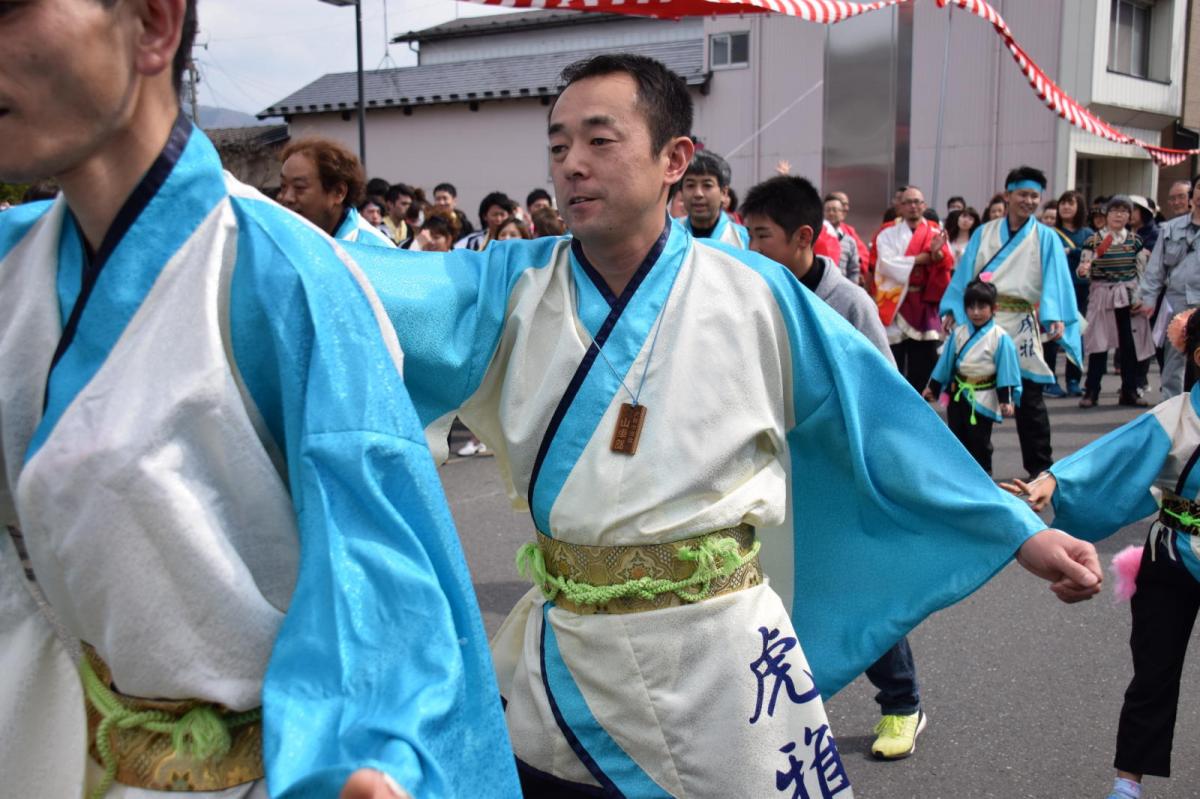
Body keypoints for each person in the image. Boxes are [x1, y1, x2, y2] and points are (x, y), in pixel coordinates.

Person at [354, 53, 1102, 798]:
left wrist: (1016, 527)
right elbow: (352, 291)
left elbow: (881, 419)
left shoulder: (757, 294)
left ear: (675, 158)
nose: (571, 165)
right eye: (556, 146)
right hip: (570, 658)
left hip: (721, 654)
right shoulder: (505, 285)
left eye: (598, 140)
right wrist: (238, 221)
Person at [0, 2, 519, 797]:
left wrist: (372, 752)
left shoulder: (283, 278)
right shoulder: (13, 267)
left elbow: (378, 592)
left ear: (151, 25)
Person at [742, 174, 929, 762]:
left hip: (836, 475)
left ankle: (902, 704)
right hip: (772, 472)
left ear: (804, 237)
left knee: (854, 590)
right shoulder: (752, 292)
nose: (751, 250)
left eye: (762, 236)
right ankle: (782, 709)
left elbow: (884, 392)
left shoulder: (848, 302)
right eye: (746, 235)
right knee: (763, 594)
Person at [1005, 308, 1200, 799]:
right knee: (1154, 673)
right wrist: (1052, 479)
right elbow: (1111, 454)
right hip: (1174, 556)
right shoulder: (1177, 416)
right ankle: (1128, 780)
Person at [942, 166, 1082, 480]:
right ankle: (976, 470)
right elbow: (964, 275)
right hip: (984, 322)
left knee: (1029, 398)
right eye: (1023, 194)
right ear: (1008, 195)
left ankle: (1040, 468)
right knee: (978, 393)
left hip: (1021, 325)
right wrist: (954, 308)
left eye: (1035, 195)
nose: (1029, 201)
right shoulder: (985, 232)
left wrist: (1054, 314)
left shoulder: (1045, 236)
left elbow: (1056, 280)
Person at [924, 279, 1021, 474]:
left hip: (983, 397)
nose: (976, 312)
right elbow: (946, 364)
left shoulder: (999, 337)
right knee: (957, 439)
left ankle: (984, 477)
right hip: (958, 394)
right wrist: (933, 387)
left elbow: (1007, 370)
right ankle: (960, 479)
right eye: (971, 307)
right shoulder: (959, 333)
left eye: (982, 306)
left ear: (994, 308)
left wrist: (1005, 399)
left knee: (980, 441)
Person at [875, 186, 954, 391]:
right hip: (897, 303)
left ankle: (917, 401)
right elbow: (886, 264)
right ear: (900, 207)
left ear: (924, 205)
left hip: (924, 304)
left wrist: (936, 255)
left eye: (917, 202)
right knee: (893, 361)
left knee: (925, 360)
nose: (913, 206)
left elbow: (945, 264)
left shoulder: (935, 232)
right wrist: (922, 259)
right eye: (908, 202)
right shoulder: (887, 234)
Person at [1077, 195, 1154, 408]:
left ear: (1129, 216)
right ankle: (1092, 390)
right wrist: (1083, 270)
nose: (1119, 214)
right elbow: (1083, 269)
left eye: (1124, 211)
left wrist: (1141, 297)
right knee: (1098, 344)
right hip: (1102, 294)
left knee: (1129, 347)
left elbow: (1142, 272)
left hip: (1128, 296)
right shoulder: (1093, 240)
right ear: (1106, 214)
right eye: (1114, 210)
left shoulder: (1135, 241)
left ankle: (1129, 391)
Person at [1138, 178, 1200, 399]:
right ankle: (1172, 409)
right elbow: (1155, 268)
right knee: (1174, 359)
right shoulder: (1170, 228)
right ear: (1192, 195)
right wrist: (1147, 299)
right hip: (1177, 301)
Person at [277, 137, 394, 248]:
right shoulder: (279, 239)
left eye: (299, 187)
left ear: (339, 192)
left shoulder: (375, 252)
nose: (287, 197)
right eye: (283, 186)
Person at [1045, 189, 1094, 398]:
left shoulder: (1088, 234)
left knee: (1076, 333)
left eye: (1070, 203)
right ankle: (1049, 380)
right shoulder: (1049, 232)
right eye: (1063, 203)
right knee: (1052, 334)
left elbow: (1092, 257)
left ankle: (1074, 379)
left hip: (1080, 290)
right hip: (1054, 290)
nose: (1065, 207)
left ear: (1079, 207)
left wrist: (1072, 252)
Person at [679, 149, 749, 247]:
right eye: (690, 185)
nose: (698, 194)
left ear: (724, 193)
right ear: (681, 191)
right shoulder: (668, 234)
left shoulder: (743, 240)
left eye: (707, 185)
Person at [823, 193, 861, 284]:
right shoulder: (817, 238)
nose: (831, 213)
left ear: (842, 214)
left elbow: (854, 270)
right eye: (828, 210)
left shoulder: (849, 241)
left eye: (835, 210)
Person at [382, 182, 416, 246]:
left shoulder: (409, 230)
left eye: (410, 204)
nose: (408, 208)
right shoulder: (379, 227)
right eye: (404, 204)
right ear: (390, 204)